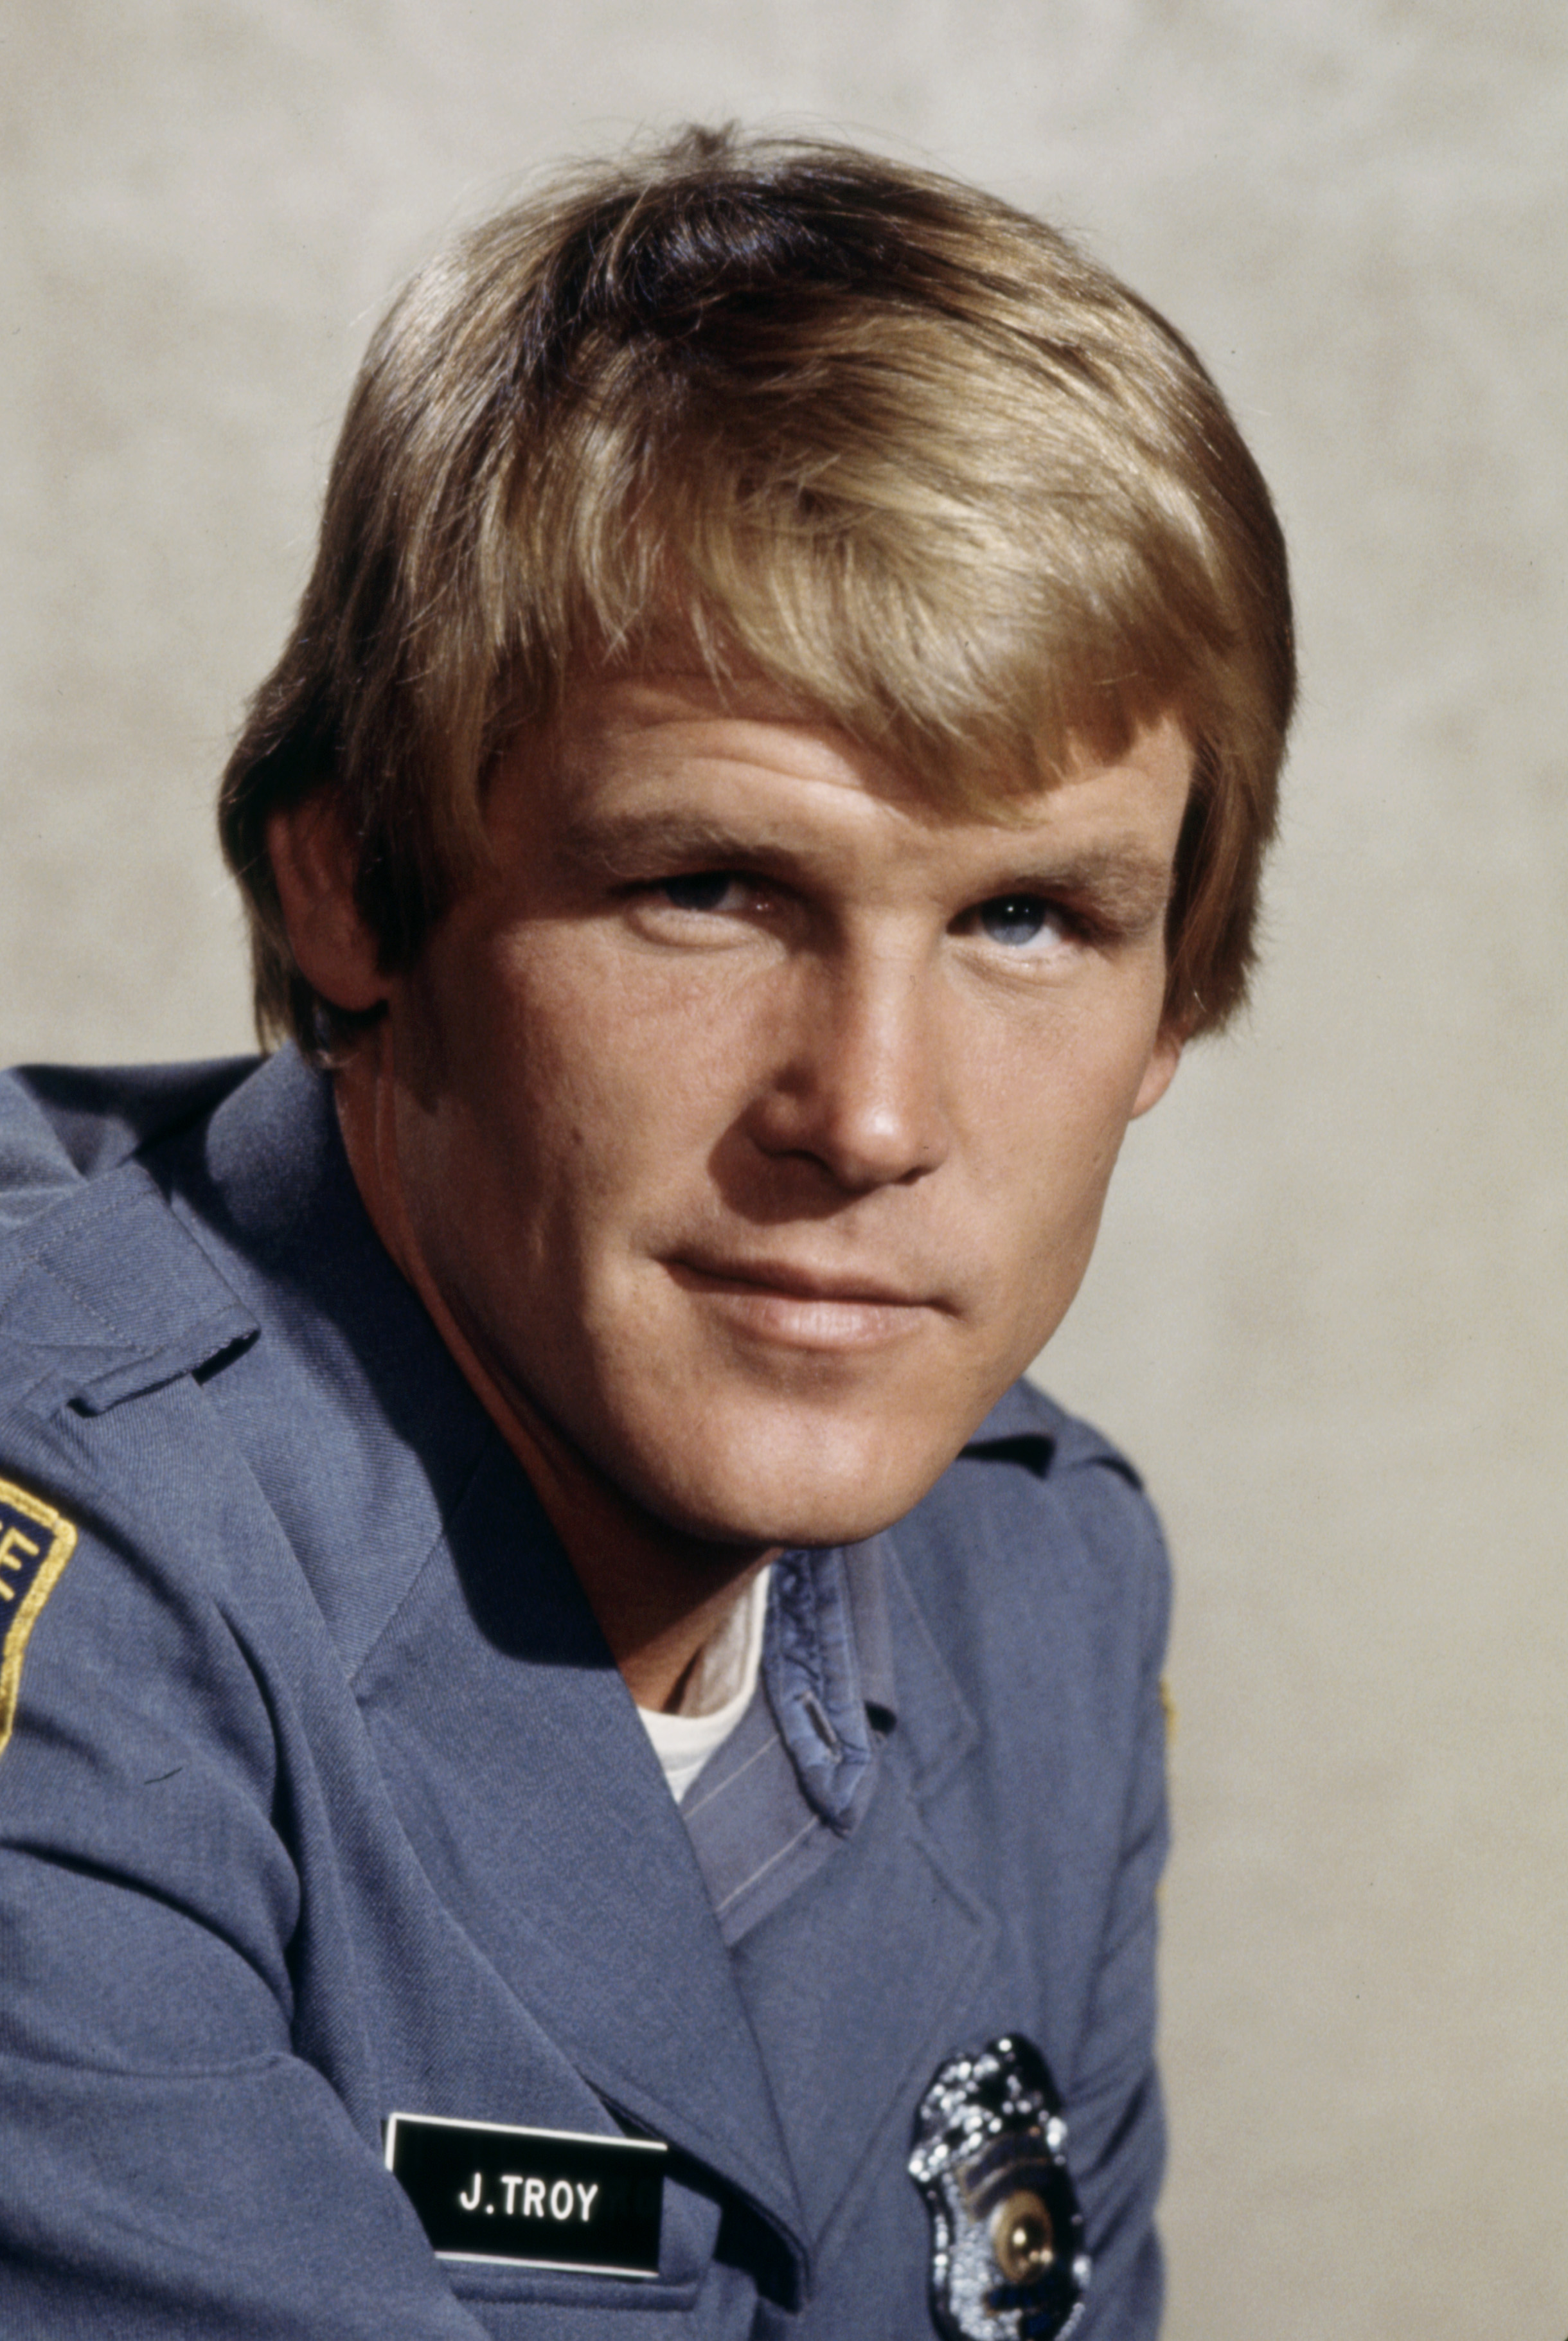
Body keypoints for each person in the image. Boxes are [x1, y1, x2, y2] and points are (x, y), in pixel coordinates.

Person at [0, 127, 1292, 2340]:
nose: (869, 1117)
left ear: (1180, 991)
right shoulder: (89, 1593)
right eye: (707, 887)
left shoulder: (1049, 1582)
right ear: (349, 886)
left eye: (1029, 916)